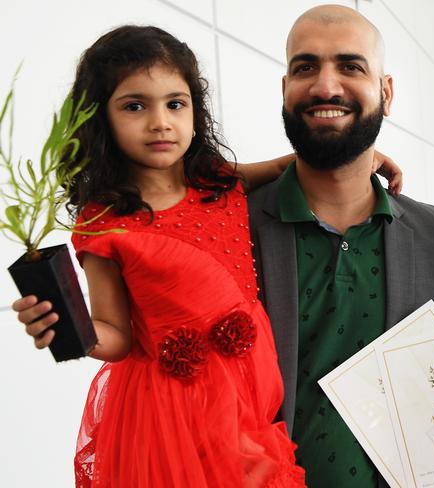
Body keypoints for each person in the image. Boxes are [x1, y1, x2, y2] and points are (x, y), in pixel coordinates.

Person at [12, 25, 311, 488]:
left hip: (250, 395)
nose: (160, 121)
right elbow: (117, 337)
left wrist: (367, 160)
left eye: (175, 103)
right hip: (170, 414)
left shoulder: (220, 181)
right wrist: (70, 330)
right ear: (100, 119)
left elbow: (293, 165)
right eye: (135, 106)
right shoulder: (105, 222)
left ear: (195, 110)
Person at [247, 5, 434, 488]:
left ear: (385, 93)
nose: (326, 86)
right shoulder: (233, 226)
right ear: (285, 91)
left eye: (351, 66)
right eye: (305, 67)